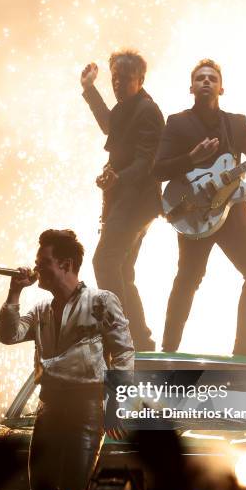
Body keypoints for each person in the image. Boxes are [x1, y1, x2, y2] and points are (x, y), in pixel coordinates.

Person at [0, 229, 134, 490]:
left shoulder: (100, 301)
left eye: (43, 263)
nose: (36, 268)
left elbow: (124, 353)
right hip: (50, 406)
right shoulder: (42, 309)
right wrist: (15, 291)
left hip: (86, 406)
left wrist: (116, 403)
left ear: (66, 264)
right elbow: (9, 334)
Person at [154, 59, 246, 360]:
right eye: (200, 78)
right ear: (191, 87)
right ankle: (167, 350)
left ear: (222, 87)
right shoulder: (177, 122)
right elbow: (158, 170)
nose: (206, 82)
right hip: (195, 210)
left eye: (212, 78)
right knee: (188, 278)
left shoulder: (236, 123)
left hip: (233, 212)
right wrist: (192, 157)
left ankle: (243, 349)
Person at [80, 50, 165, 351]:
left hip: (138, 202)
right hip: (125, 200)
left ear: (140, 80)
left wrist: (119, 178)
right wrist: (90, 89)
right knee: (123, 272)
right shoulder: (126, 107)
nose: (117, 84)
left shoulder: (148, 111)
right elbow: (109, 125)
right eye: (115, 78)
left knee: (104, 260)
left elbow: (147, 162)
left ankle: (121, 334)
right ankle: (140, 339)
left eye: (125, 79)